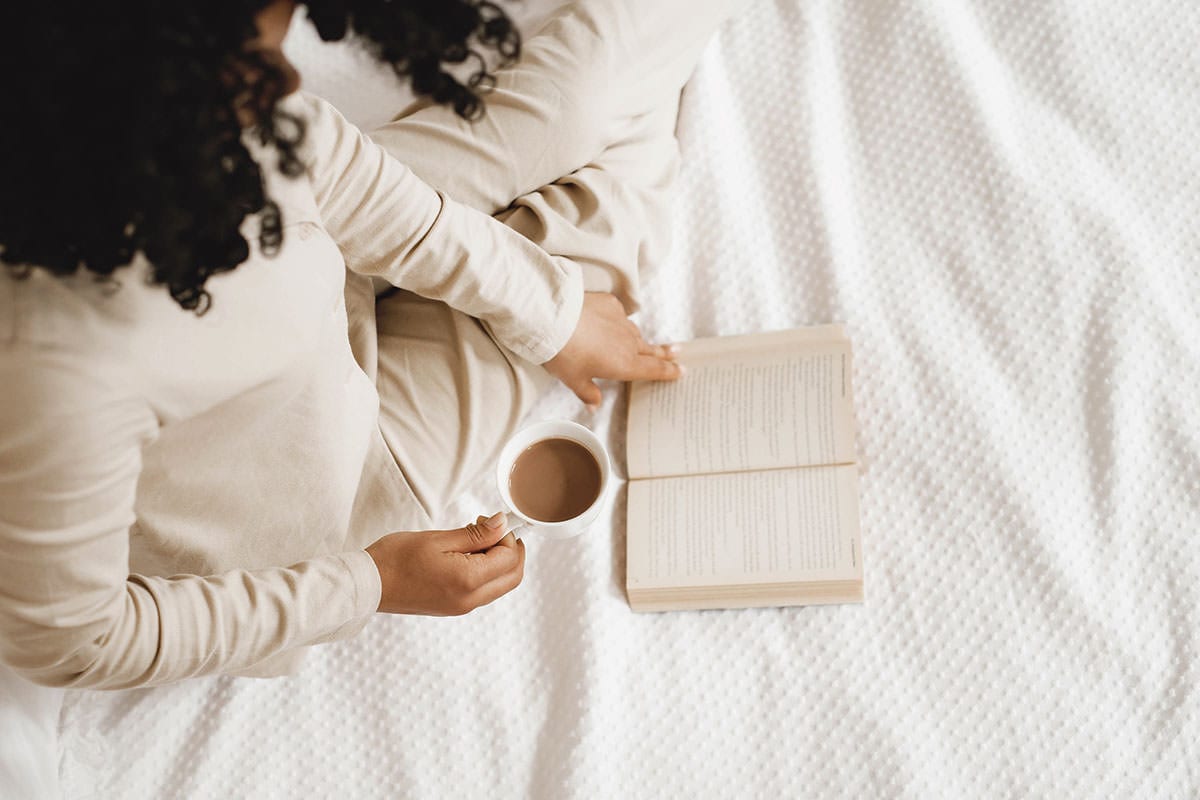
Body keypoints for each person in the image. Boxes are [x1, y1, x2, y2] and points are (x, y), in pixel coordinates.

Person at [0, 0, 746, 792]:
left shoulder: (224, 107)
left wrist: (552, 316)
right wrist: (374, 582)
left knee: (576, 106)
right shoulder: (55, 370)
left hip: (321, 295)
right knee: (610, 213)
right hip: (339, 492)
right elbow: (74, 642)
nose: (288, 74)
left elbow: (379, 201)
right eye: (260, 50)